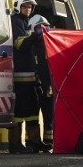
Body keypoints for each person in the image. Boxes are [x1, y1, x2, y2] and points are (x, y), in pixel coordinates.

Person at [9, 0, 52, 153]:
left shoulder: (28, 22)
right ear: (18, 6)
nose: (28, 9)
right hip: (20, 78)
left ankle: (35, 142)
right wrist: (35, 36)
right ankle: (15, 144)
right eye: (25, 6)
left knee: (33, 112)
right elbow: (20, 44)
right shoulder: (16, 22)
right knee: (19, 113)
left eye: (30, 7)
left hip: (32, 78)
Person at [28, 14, 55, 151]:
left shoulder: (50, 45)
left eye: (45, 27)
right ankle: (33, 142)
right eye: (39, 27)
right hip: (33, 85)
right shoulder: (30, 44)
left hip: (47, 85)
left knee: (49, 116)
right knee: (32, 115)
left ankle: (48, 143)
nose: (42, 29)